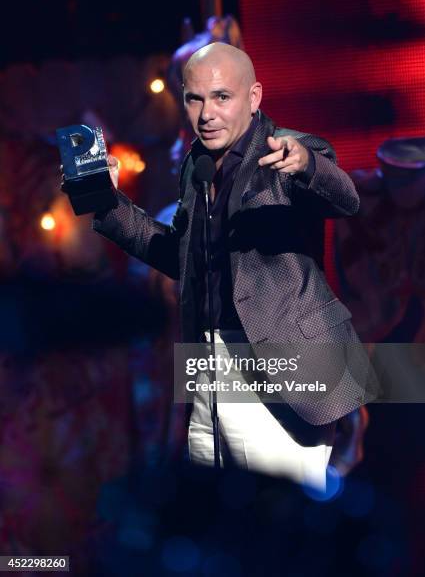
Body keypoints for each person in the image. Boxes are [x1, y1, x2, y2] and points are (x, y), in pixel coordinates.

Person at [93, 42, 369, 489]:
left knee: (276, 538)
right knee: (219, 535)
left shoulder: (290, 150)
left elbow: (345, 198)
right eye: (195, 98)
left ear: (254, 97)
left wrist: (307, 165)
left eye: (222, 97)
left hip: (280, 377)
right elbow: (178, 257)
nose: (207, 113)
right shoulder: (195, 168)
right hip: (209, 371)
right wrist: (110, 205)